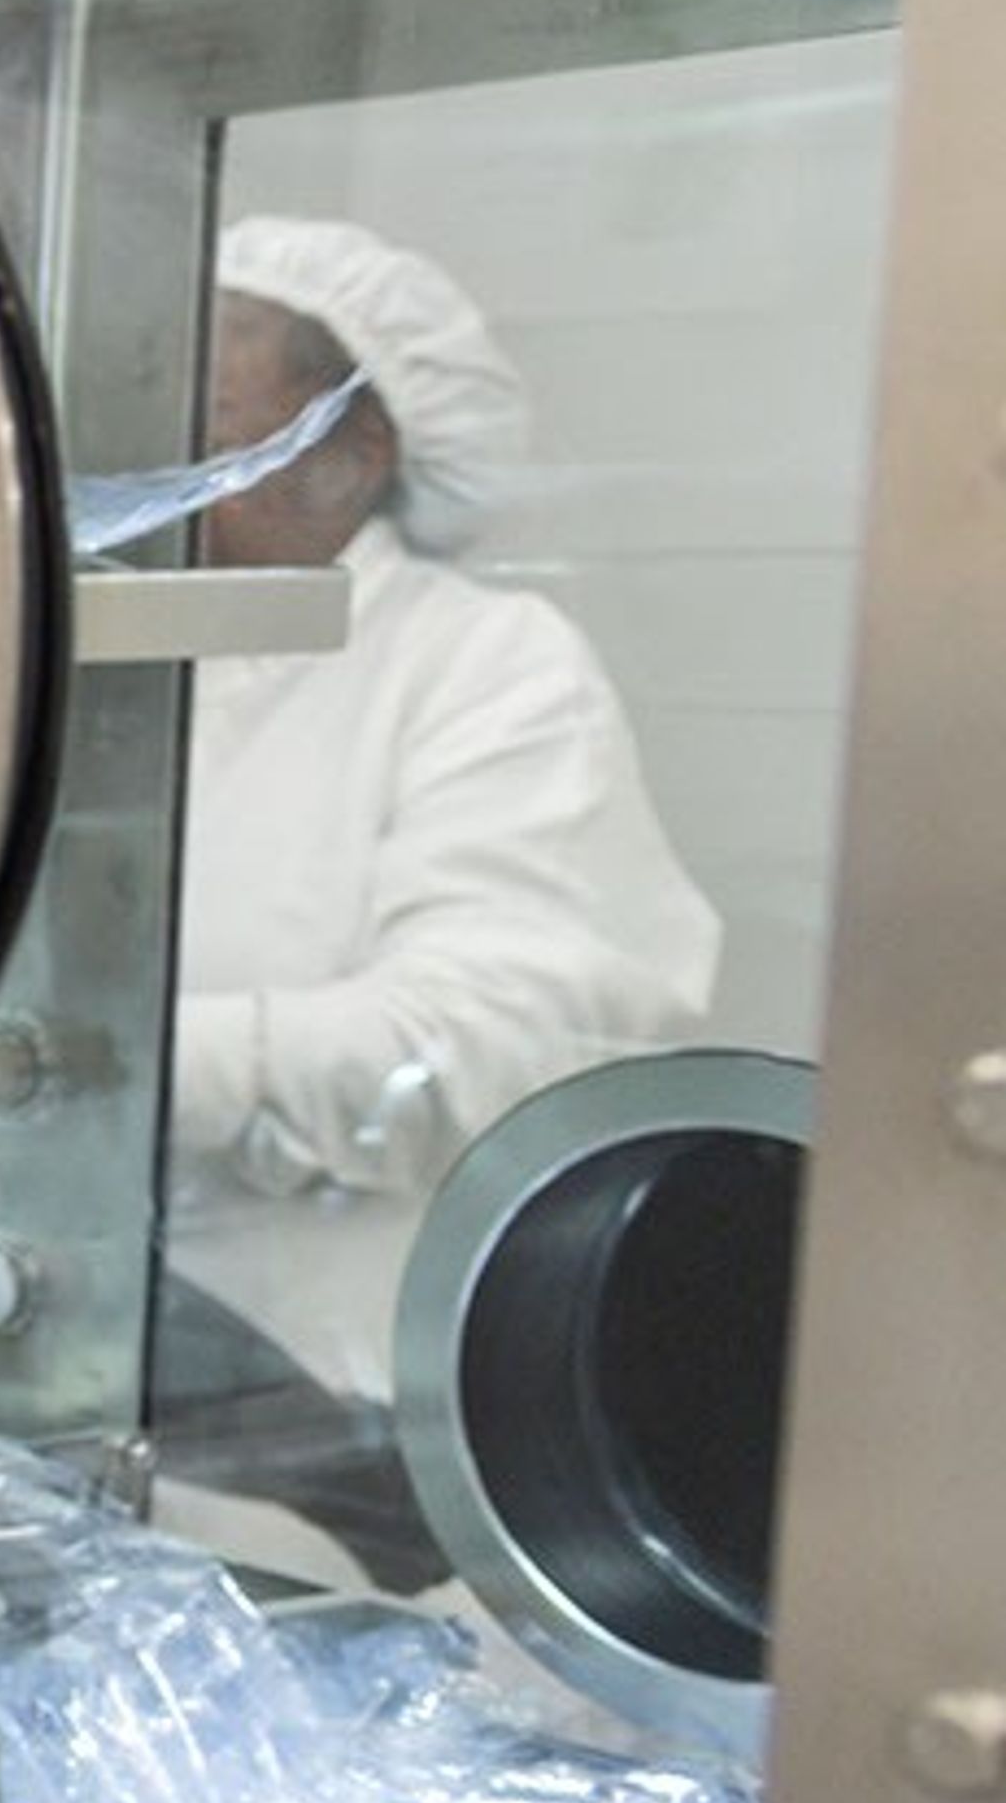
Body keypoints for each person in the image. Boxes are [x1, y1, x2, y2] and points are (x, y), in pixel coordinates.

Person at [166, 218, 720, 1419]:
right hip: (56, 1355)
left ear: (355, 449)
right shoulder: (114, 652)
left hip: (316, 1408)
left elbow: (481, 1046)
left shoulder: (483, 665)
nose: (141, 447)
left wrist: (110, 1064)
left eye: (201, 407)